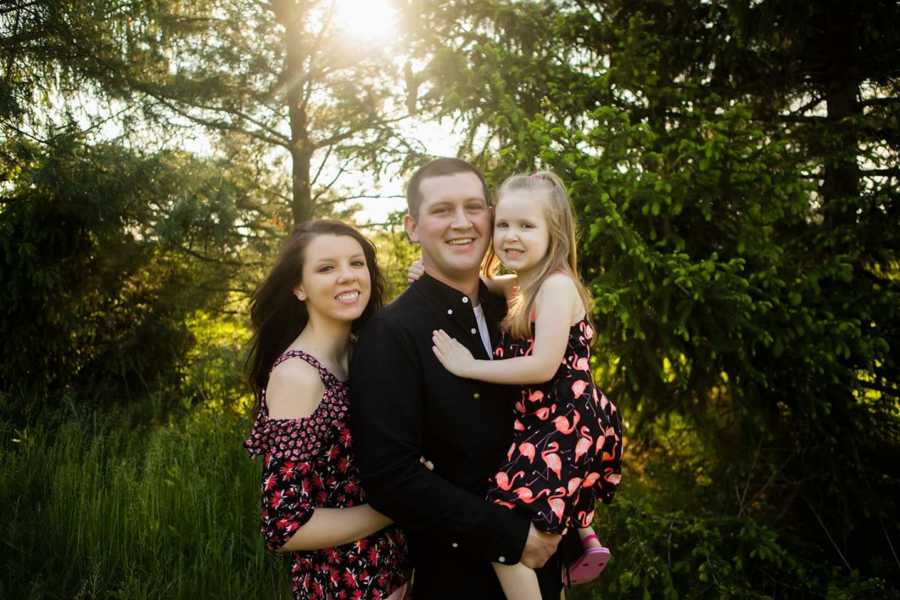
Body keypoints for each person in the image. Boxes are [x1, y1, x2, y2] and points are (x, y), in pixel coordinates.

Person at [349, 158, 565, 599]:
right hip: (458, 579)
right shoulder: (392, 333)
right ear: (412, 227)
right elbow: (390, 477)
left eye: (474, 207)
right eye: (442, 210)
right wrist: (512, 536)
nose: (462, 223)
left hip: (547, 564)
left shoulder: (522, 306)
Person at [426, 171, 624, 599]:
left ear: (554, 234)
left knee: (505, 533)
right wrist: (430, 272)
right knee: (524, 535)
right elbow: (483, 285)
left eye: (526, 226)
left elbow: (542, 366)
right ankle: (575, 540)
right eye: (503, 225)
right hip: (545, 422)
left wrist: (469, 366)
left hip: (564, 425)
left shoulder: (554, 287)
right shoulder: (523, 283)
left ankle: (570, 543)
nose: (510, 236)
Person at [243, 220, 410, 600]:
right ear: (298, 287)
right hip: (341, 587)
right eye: (326, 268)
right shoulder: (299, 376)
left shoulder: (360, 351)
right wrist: (400, 505)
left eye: (357, 263)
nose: (347, 277)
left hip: (396, 576)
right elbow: (284, 526)